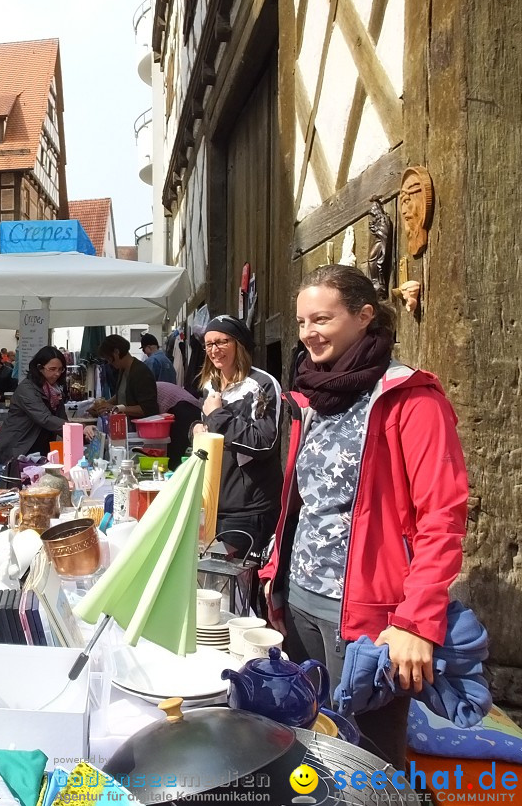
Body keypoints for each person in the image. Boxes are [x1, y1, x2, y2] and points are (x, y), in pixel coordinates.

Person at [260, 265, 467, 769]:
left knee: (368, 764)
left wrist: (417, 622)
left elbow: (441, 515)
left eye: (323, 319)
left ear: (364, 316)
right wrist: (274, 576)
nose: (309, 332)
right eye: (303, 320)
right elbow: (301, 499)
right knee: (313, 748)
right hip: (303, 602)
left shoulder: (409, 397)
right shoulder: (312, 395)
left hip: (370, 618)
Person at [190, 315, 282, 564]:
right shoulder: (211, 384)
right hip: (213, 504)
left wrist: (218, 415)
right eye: (209, 344)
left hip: (249, 510)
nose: (214, 350)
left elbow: (263, 443)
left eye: (222, 342)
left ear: (239, 344)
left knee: (239, 585)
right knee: (214, 581)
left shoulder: (262, 385)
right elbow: (211, 428)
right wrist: (197, 428)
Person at [0, 346, 95, 482]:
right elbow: (45, 418)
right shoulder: (26, 389)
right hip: (12, 455)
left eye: (60, 369)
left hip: (35, 457)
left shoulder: (55, 391)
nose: (57, 374)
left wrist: (85, 436)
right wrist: (80, 429)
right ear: (39, 368)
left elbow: (61, 423)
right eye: (52, 369)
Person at [92, 334, 160, 418]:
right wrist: (103, 405)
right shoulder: (123, 369)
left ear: (116, 352)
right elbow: (121, 394)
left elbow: (148, 409)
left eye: (109, 358)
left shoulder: (141, 372)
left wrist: (114, 408)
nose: (109, 363)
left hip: (139, 427)